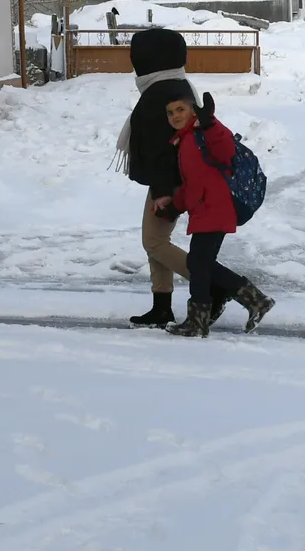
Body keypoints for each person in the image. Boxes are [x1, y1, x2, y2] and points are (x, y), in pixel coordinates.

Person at [113, 28, 232, 329]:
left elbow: (168, 147)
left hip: (169, 182)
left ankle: (215, 283)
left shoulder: (161, 93)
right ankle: (161, 306)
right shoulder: (174, 85)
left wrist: (165, 191)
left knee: (153, 242)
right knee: (157, 241)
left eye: (136, 56)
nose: (133, 63)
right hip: (167, 179)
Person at [158, 89, 275, 338]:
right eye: (170, 112)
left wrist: (210, 123)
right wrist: (175, 206)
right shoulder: (186, 140)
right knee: (200, 263)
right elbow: (193, 183)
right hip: (205, 208)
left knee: (198, 262)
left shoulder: (205, 132)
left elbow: (226, 152)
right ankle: (253, 301)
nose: (175, 115)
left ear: (192, 110)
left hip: (216, 207)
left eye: (181, 109)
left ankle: (202, 320)